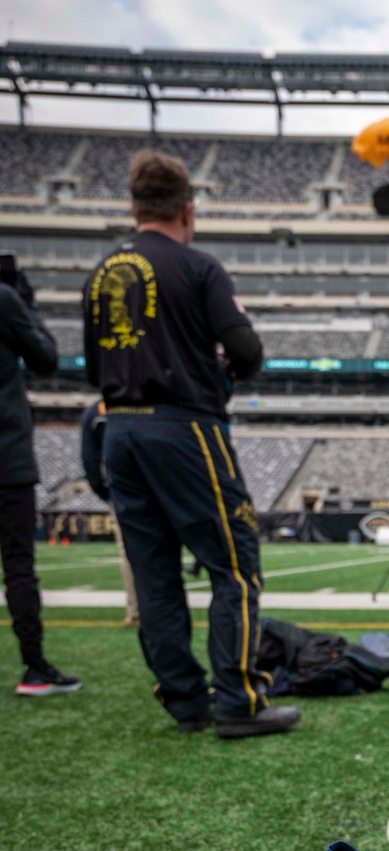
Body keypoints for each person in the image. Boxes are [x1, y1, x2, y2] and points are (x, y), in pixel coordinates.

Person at [83, 150, 298, 737]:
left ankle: (184, 700)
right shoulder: (199, 266)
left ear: (134, 207)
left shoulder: (101, 272)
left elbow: (90, 366)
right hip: (184, 428)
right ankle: (238, 701)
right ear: (187, 209)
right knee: (235, 565)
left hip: (118, 430)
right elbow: (247, 351)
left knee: (153, 574)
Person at [0, 259, 81, 696]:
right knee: (18, 567)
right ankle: (33, 667)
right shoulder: (4, 298)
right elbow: (46, 358)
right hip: (5, 457)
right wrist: (25, 305)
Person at [80, 400, 139, 627]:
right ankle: (162, 611)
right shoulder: (150, 399)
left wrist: (103, 490)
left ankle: (135, 612)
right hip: (155, 485)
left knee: (129, 552)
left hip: (121, 489)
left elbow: (89, 458)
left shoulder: (96, 411)